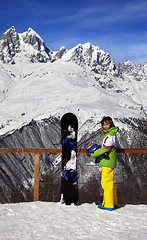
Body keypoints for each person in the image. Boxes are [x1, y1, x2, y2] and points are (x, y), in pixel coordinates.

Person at [90, 116, 119, 211]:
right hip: (109, 161)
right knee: (110, 182)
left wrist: (94, 154)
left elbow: (105, 148)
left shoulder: (110, 135)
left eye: (107, 124)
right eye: (104, 124)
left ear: (111, 124)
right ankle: (114, 202)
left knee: (106, 183)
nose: (105, 126)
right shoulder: (111, 134)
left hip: (108, 162)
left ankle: (108, 204)